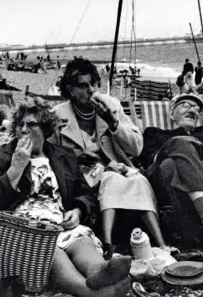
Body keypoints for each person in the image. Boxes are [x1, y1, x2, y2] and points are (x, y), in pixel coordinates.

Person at [0, 98, 132, 297]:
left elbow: (84, 193)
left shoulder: (63, 155)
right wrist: (16, 167)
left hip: (59, 221)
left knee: (81, 241)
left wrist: (78, 210)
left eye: (31, 124)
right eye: (19, 125)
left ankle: (99, 270)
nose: (23, 130)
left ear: (44, 129)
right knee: (50, 248)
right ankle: (90, 292)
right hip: (20, 226)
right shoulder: (0, 155)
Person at [51, 58, 173, 258]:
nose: (90, 90)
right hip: (83, 177)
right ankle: (107, 245)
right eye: (83, 85)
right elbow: (50, 154)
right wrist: (76, 156)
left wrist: (113, 122)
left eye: (93, 84)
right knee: (112, 179)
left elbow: (137, 147)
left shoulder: (111, 106)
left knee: (139, 180)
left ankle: (161, 244)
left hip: (117, 169)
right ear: (71, 90)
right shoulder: (58, 116)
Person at [138, 94, 203, 255]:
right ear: (172, 113)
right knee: (170, 162)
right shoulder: (154, 133)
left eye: (197, 109)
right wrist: (178, 148)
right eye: (186, 105)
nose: (193, 109)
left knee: (172, 161)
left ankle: (192, 232)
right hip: (163, 177)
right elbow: (148, 161)